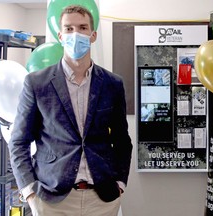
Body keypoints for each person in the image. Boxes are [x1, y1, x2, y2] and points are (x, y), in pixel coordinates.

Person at [8, 5, 133, 216]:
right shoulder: (37, 83)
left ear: (92, 35)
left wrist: (120, 183)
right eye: (69, 28)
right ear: (60, 35)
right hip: (51, 199)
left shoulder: (112, 84)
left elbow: (122, 141)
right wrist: (29, 192)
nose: (76, 34)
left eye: (83, 28)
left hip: (101, 198)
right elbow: (19, 142)